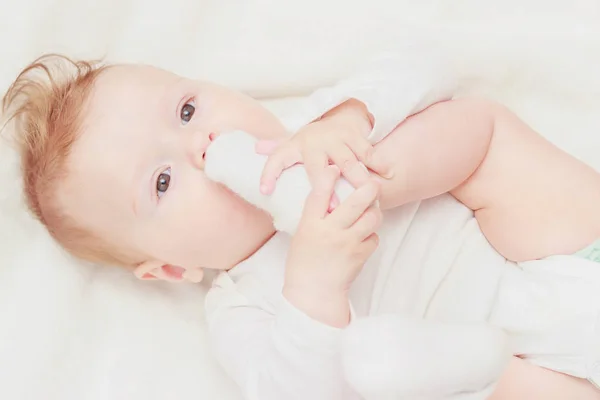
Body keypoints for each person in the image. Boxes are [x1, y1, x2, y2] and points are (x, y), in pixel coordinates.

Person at [2, 50, 599, 399]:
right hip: (519, 376)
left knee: (480, 128)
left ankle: (379, 180)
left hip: (558, 254)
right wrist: (314, 286)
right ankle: (468, 365)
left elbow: (424, 64)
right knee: (373, 373)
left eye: (187, 111)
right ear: (171, 267)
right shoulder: (242, 307)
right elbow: (293, 391)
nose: (201, 144)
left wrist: (351, 130)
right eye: (161, 181)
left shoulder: (307, 126)